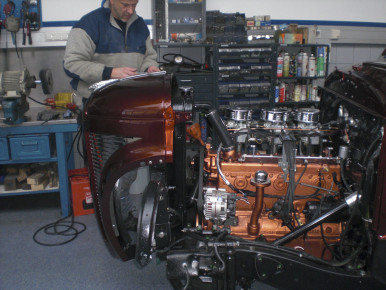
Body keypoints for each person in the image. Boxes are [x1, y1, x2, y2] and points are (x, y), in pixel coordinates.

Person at [63, 0, 160, 106]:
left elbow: (149, 56)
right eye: (125, 5)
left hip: (131, 101)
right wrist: (109, 72)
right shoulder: (89, 25)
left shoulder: (140, 25)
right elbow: (71, 64)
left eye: (134, 5)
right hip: (95, 102)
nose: (131, 10)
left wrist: (149, 68)